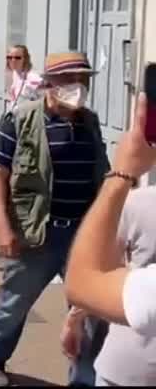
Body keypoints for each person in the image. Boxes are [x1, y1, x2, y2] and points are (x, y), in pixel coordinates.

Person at [0, 52, 109, 387]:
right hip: (37, 233)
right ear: (50, 84)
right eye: (70, 79)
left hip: (84, 237)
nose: (78, 86)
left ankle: (83, 380)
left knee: (91, 314)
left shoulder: (90, 123)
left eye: (83, 79)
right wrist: (2, 227)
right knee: (13, 305)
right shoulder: (21, 119)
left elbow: (102, 175)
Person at [66, 92, 156, 387]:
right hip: (125, 365)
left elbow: (88, 278)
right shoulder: (140, 204)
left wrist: (121, 174)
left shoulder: (90, 123)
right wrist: (76, 319)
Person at [5, 44, 43, 112]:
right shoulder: (15, 73)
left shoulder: (33, 78)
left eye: (17, 58)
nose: (13, 60)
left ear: (25, 59)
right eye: (10, 57)